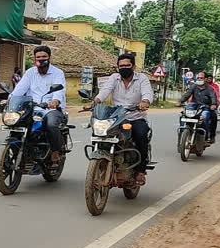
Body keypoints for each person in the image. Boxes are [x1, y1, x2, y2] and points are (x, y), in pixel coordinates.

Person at [84, 53, 153, 185]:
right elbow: (104, 91)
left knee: (141, 135)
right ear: (117, 67)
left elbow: (147, 93)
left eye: (127, 65)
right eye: (121, 66)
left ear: (133, 66)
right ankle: (99, 163)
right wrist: (94, 102)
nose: (124, 68)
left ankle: (140, 171)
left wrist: (145, 102)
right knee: (98, 132)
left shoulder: (142, 78)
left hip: (135, 116)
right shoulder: (114, 78)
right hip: (116, 117)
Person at [10, 45, 67, 167]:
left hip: (51, 109)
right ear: (34, 58)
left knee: (51, 124)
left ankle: (55, 151)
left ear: (49, 57)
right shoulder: (30, 73)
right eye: (38, 57)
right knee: (15, 122)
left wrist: (55, 101)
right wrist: (9, 99)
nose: (41, 59)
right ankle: (18, 149)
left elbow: (59, 91)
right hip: (32, 107)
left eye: (44, 57)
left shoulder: (58, 73)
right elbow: (20, 89)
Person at [178, 71, 217, 143]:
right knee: (183, 115)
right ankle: (181, 134)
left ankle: (206, 136)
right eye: (198, 78)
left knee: (206, 116)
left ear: (205, 79)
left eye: (201, 78)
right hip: (194, 106)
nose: (199, 79)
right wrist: (180, 101)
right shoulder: (194, 86)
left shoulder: (210, 89)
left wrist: (213, 104)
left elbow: (213, 98)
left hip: (205, 107)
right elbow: (187, 94)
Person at [205, 73, 220, 143]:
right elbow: (189, 95)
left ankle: (212, 135)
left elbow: (215, 96)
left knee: (213, 116)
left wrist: (214, 104)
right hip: (198, 106)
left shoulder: (213, 87)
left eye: (210, 78)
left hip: (210, 105)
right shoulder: (195, 86)